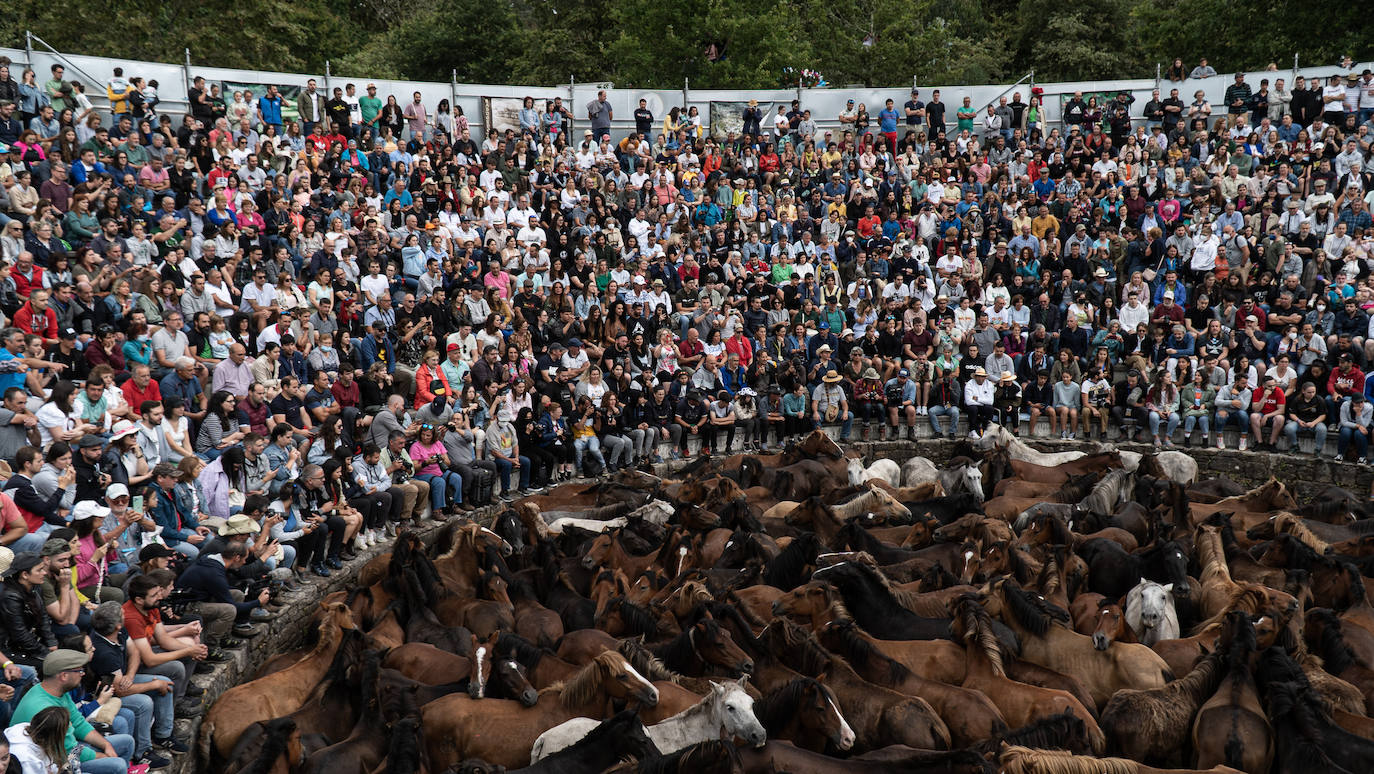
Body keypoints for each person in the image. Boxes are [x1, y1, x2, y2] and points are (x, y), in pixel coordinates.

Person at [10, 649, 135, 774]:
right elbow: (67, 752)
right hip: (57, 762)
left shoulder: (57, 691)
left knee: (127, 742)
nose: (83, 674)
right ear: (64, 676)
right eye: (79, 670)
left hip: (68, 747)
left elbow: (78, 722)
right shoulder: (44, 708)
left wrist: (106, 745)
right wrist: (104, 757)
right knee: (117, 764)